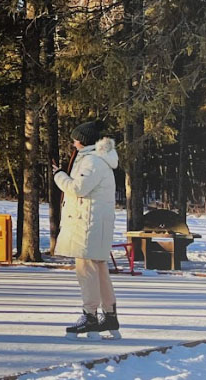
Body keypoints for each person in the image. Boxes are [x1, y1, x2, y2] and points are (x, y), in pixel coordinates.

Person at [52, 121, 122, 340]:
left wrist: (59, 175)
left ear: (82, 140)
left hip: (88, 225)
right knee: (99, 269)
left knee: (86, 270)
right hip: (94, 223)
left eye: (75, 138)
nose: (72, 142)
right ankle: (109, 315)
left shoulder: (91, 161)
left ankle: (89, 316)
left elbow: (78, 188)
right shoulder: (99, 160)